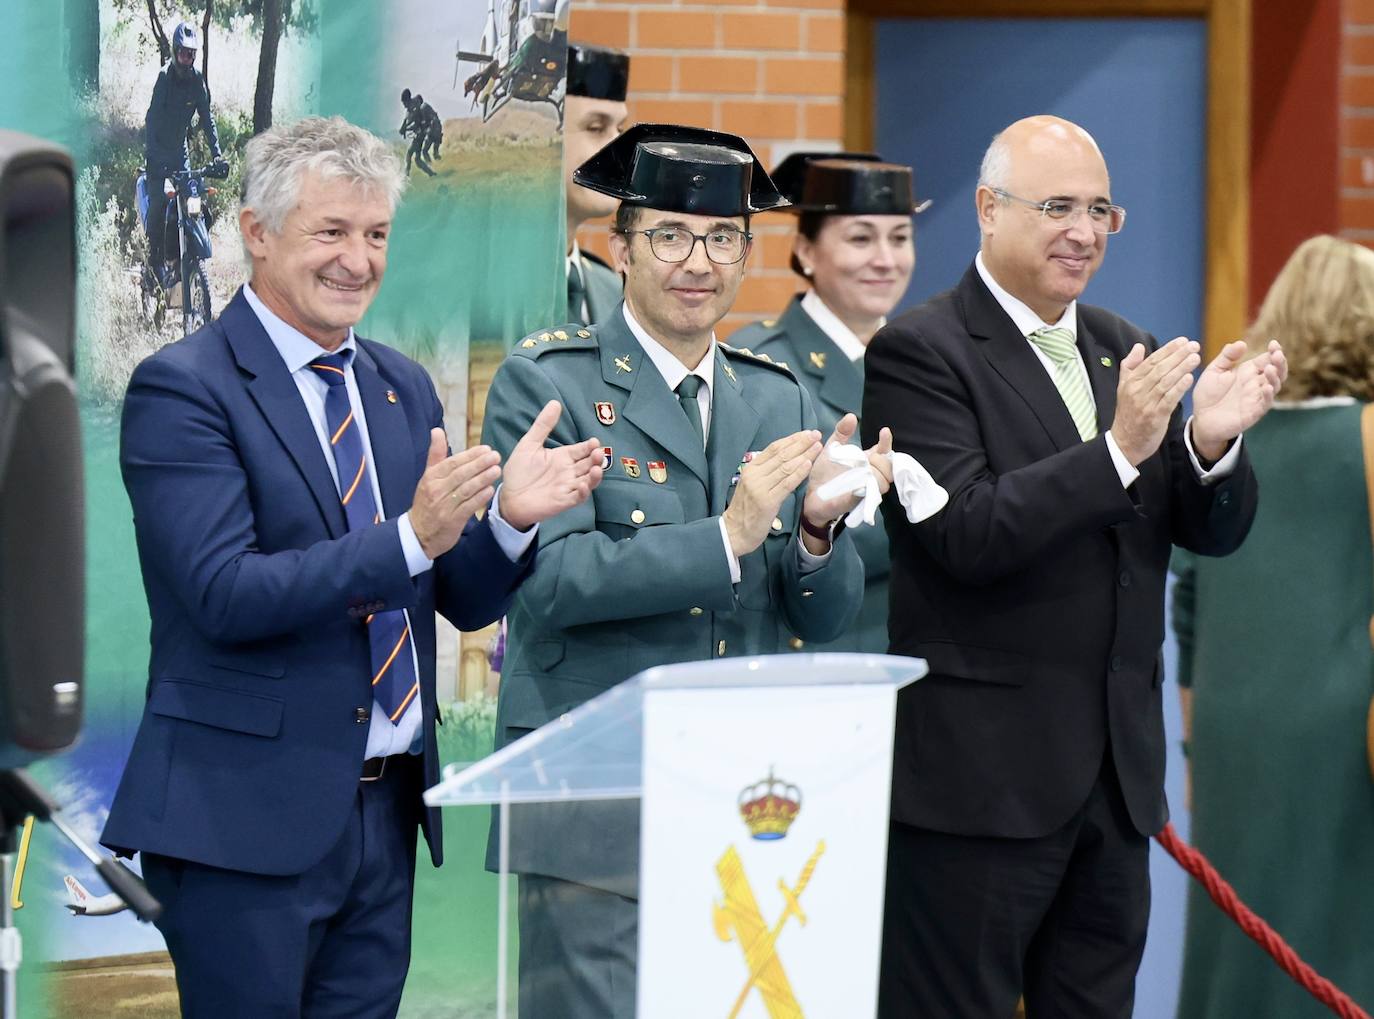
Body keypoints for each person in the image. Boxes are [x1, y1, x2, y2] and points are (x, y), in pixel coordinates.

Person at [101, 115, 604, 1018]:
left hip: (385, 816)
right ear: (257, 232)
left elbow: (453, 594)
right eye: (330, 232)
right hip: (241, 824)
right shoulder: (184, 388)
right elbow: (224, 592)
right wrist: (412, 535)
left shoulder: (400, 385)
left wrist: (511, 523)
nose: (358, 261)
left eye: (375, 235)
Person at [863, 114, 1287, 1018]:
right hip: (980, 789)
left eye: (1101, 210)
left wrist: (1208, 443)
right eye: (1057, 206)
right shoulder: (920, 353)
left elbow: (1205, 533)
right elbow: (969, 534)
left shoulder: (1117, 343)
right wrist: (1122, 448)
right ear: (987, 208)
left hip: (1115, 785)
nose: (1084, 231)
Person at [481, 123, 890, 1019]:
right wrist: (728, 534)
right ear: (619, 247)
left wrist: (819, 532)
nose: (696, 260)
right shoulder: (546, 383)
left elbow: (817, 619)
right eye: (667, 234)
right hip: (594, 804)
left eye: (722, 238)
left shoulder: (776, 393)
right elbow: (551, 583)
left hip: (738, 805)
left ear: (748, 254)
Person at [1172, 235, 1374, 1019]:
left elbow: (1187, 602)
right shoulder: (1364, 437)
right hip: (1343, 720)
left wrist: (1193, 745)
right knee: (1340, 936)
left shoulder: (1228, 437)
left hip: (1227, 724)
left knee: (1236, 928)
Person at [732, 152, 928, 653]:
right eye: (860, 238)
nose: (885, 259)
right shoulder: (763, 366)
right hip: (825, 648)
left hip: (926, 649)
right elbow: (773, 530)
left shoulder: (932, 358)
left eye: (899, 238)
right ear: (807, 251)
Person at [144, 21, 223, 286]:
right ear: (175, 51)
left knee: (195, 203)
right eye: (183, 53)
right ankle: (155, 261)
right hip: (158, 152)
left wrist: (217, 155)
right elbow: (152, 120)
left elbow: (207, 119)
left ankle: (186, 257)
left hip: (179, 152)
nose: (186, 58)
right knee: (158, 203)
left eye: (191, 54)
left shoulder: (197, 80)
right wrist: (154, 159)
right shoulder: (165, 78)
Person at [562, 43, 630, 325]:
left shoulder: (610, 289)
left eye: (620, 130)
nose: (617, 148)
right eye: (596, 128)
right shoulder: (482, 292)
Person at [399, 88, 436, 178]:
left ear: (408, 101)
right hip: (420, 133)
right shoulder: (413, 106)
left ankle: (406, 175)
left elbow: (415, 123)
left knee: (409, 153)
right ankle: (431, 173)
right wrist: (405, 128)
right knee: (417, 160)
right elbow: (409, 121)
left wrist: (406, 128)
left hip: (420, 134)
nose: (404, 106)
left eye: (404, 103)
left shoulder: (414, 108)